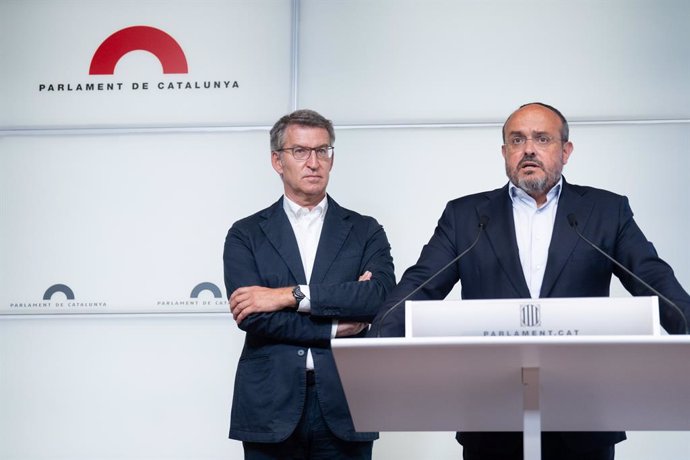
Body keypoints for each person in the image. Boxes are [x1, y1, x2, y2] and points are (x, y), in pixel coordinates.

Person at [369, 102, 690, 460]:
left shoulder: (605, 211)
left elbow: (654, 280)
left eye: (542, 139)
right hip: (492, 416)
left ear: (565, 151)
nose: (529, 149)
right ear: (504, 152)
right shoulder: (466, 217)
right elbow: (420, 286)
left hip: (583, 418)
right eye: (517, 140)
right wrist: (371, 348)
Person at [224, 109, 396, 460]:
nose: (313, 162)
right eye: (300, 151)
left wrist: (289, 296)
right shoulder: (246, 234)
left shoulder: (365, 231)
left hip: (347, 399)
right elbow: (253, 316)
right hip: (270, 402)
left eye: (323, 150)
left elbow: (376, 298)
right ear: (277, 160)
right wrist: (334, 326)